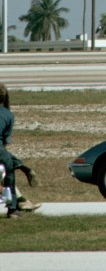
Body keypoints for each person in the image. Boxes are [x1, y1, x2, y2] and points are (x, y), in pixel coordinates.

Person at [0, 84, 38, 218]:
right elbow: (5, 141)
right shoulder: (8, 114)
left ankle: (24, 168)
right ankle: (12, 209)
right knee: (9, 174)